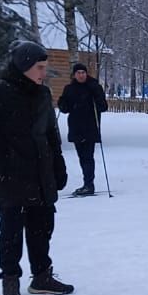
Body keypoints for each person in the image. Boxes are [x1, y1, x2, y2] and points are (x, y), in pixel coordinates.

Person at [0, 40, 73, 295]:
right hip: (11, 177)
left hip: (41, 174)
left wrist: (58, 165)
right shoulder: (2, 93)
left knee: (43, 228)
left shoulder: (42, 94)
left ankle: (41, 276)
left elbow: (51, 133)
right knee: (12, 232)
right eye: (40, 67)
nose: (44, 73)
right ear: (24, 66)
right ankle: (10, 280)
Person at [57, 61, 108, 195]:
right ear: (74, 75)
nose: (81, 75)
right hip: (76, 127)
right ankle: (87, 183)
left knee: (87, 157)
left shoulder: (93, 86)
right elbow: (65, 109)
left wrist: (96, 94)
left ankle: (89, 184)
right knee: (82, 157)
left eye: (83, 72)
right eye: (78, 73)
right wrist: (61, 102)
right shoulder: (69, 88)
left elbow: (103, 106)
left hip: (90, 127)